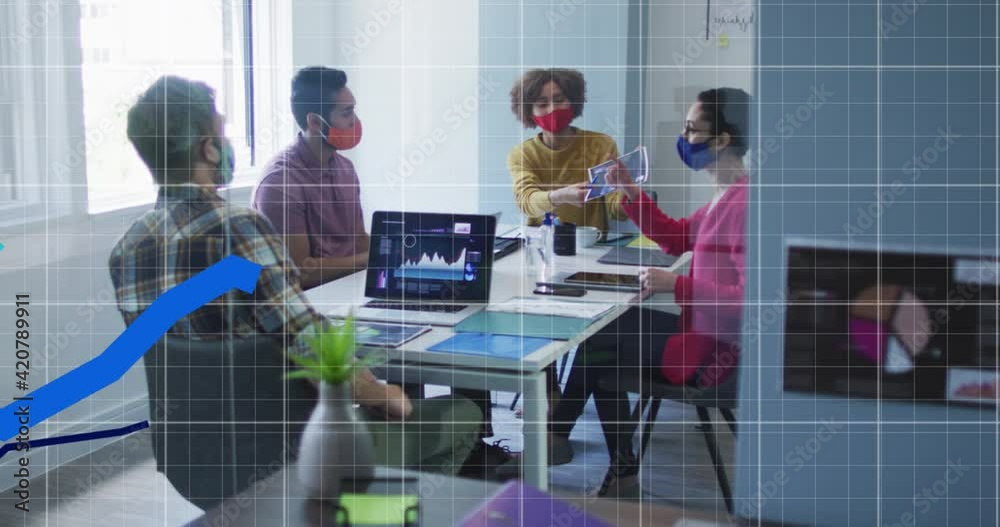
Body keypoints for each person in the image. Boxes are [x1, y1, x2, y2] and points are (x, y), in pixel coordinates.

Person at [109, 75, 482, 478]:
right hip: (290, 455)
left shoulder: (127, 249)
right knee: (461, 413)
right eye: (223, 133)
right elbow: (310, 343)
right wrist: (384, 394)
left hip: (191, 461)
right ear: (209, 148)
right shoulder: (240, 229)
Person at [547, 87, 751, 496]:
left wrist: (676, 284)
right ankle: (580, 451)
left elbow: (750, 300)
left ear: (723, 139)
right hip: (703, 332)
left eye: (692, 129)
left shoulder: (745, 204)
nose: (684, 137)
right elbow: (677, 238)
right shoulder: (725, 196)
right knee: (604, 337)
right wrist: (632, 193)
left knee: (599, 344)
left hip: (716, 352)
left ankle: (567, 444)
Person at [252, 67, 368, 289]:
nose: (355, 122)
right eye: (347, 113)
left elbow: (359, 241)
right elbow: (301, 274)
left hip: (349, 292)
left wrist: (399, 246)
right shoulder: (280, 183)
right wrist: (370, 260)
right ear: (315, 122)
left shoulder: (346, 169)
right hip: (308, 305)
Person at [507, 68, 628, 233]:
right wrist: (561, 196)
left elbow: (615, 207)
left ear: (573, 102)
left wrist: (631, 196)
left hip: (590, 246)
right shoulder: (522, 154)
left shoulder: (601, 144)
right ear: (529, 111)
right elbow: (526, 202)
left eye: (559, 100)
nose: (552, 110)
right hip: (543, 246)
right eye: (542, 104)